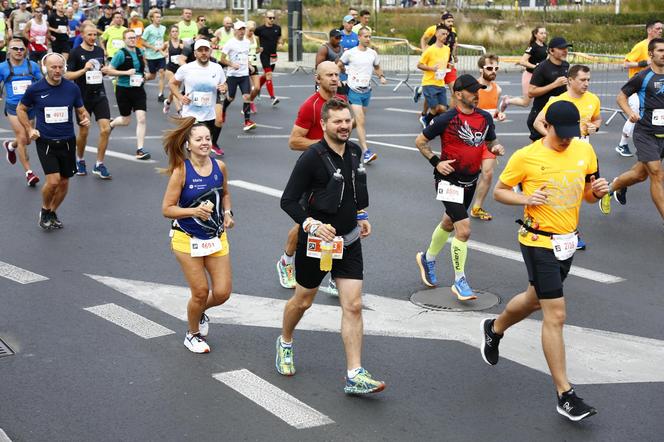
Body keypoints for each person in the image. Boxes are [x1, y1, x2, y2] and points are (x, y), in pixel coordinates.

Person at [484, 100, 608, 422]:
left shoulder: (584, 152)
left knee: (533, 300)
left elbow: (589, 195)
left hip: (568, 240)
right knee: (556, 313)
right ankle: (565, 395)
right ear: (547, 126)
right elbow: (500, 191)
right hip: (537, 240)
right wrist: (526, 197)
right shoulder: (527, 156)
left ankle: (494, 329)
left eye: (571, 134)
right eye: (561, 134)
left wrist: (598, 191)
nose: (566, 140)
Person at [276, 97, 385, 395]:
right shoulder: (311, 157)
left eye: (347, 120)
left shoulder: (353, 150)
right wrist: (310, 224)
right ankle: (285, 341)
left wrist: (361, 216)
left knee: (353, 305)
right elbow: (287, 200)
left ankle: (354, 374)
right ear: (324, 124)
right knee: (303, 301)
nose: (344, 126)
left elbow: (352, 187)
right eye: (337, 121)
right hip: (316, 245)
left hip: (348, 240)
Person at [414, 75, 504, 300]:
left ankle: (428, 258)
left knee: (448, 222)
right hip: (448, 181)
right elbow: (420, 141)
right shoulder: (447, 118)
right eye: (473, 91)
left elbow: (490, 141)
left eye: (479, 90)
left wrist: (496, 148)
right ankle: (460, 281)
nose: (477, 94)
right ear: (458, 94)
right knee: (463, 230)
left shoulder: (484, 117)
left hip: (470, 181)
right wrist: (437, 162)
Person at [161, 117, 234, 354]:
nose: (204, 143)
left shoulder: (220, 167)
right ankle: (192, 334)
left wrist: (227, 213)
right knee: (201, 291)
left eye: (207, 139)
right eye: (199, 139)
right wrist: (195, 211)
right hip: (186, 238)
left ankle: (199, 310)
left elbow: (224, 193)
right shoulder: (181, 171)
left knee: (222, 293)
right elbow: (167, 209)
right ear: (188, 145)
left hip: (215, 237)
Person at [277, 61, 342, 290]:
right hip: (312, 171)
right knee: (306, 222)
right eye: (329, 75)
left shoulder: (340, 102)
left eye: (336, 74)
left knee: (338, 221)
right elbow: (294, 141)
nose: (334, 78)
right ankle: (287, 260)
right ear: (318, 79)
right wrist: (324, 145)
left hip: (337, 171)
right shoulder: (311, 106)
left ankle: (336, 273)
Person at [18, 52, 90, 229]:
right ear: (45, 69)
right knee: (53, 181)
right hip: (46, 141)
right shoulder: (35, 89)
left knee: (65, 182)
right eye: (53, 67)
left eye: (60, 67)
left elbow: (81, 110)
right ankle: (44, 210)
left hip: (67, 141)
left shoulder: (72, 88)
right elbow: (21, 109)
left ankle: (52, 211)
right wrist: (29, 128)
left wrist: (85, 117)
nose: (57, 71)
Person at [600, 38, 664, 222]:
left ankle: (611, 188)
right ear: (651, 54)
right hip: (647, 133)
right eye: (660, 50)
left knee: (640, 175)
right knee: (657, 173)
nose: (663, 53)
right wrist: (630, 113)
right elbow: (621, 97)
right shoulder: (643, 76)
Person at [66, 23, 113, 179]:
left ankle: (99, 164)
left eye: (95, 35)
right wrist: (84, 69)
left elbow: (101, 69)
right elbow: (68, 76)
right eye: (89, 35)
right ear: (82, 35)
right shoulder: (75, 52)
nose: (93, 37)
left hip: (99, 94)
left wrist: (105, 71)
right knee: (84, 132)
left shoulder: (99, 50)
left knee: (106, 129)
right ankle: (80, 159)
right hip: (82, 97)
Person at [614, 20, 663, 157]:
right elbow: (626, 64)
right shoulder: (641, 46)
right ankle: (623, 143)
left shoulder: (661, 46)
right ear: (649, 30)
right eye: (657, 28)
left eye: (661, 29)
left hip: (655, 87)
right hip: (638, 87)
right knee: (636, 113)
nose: (660, 31)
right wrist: (643, 62)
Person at [170, 39, 227, 156]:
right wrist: (180, 97)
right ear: (195, 53)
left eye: (206, 50)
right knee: (196, 145)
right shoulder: (186, 68)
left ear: (210, 52)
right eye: (200, 50)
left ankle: (197, 167)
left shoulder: (217, 68)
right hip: (191, 114)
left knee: (202, 147)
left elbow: (224, 84)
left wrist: (224, 88)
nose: (203, 53)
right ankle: (192, 167)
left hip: (209, 114)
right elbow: (172, 83)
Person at [338, 27, 386, 164]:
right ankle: (366, 152)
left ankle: (339, 133)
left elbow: (377, 66)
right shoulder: (351, 53)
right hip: (353, 90)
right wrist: (340, 76)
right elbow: (339, 64)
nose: (368, 39)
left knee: (357, 121)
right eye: (366, 36)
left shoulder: (372, 53)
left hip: (367, 91)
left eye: (370, 36)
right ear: (359, 37)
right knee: (361, 121)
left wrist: (381, 76)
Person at [106, 29, 154, 160]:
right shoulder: (120, 54)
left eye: (134, 37)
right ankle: (111, 124)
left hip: (138, 89)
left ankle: (140, 149)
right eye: (129, 38)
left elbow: (141, 69)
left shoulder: (139, 51)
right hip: (123, 89)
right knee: (126, 120)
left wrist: (144, 77)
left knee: (141, 118)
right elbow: (109, 71)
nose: (132, 39)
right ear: (124, 40)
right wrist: (126, 73)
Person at [0, 37, 42, 186]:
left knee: (28, 139)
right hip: (13, 107)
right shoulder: (2, 67)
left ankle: (11, 146)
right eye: (15, 49)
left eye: (21, 49)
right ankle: (29, 173)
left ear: (25, 50)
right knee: (23, 137)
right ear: (9, 50)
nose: (19, 51)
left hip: (30, 107)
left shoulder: (33, 66)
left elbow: (42, 83)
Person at [471, 54, 506, 222]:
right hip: (469, 138)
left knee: (488, 173)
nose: (493, 72)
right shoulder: (472, 88)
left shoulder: (497, 89)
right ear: (481, 69)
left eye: (496, 69)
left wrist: (498, 114)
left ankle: (477, 207)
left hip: (488, 139)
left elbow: (490, 110)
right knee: (467, 175)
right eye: (490, 68)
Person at [534, 65, 601, 141]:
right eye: (582, 80)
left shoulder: (593, 99)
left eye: (588, 80)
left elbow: (597, 119)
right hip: (562, 142)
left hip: (583, 141)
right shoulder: (557, 101)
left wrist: (595, 127)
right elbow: (537, 123)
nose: (586, 84)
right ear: (570, 80)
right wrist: (552, 137)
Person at [526, 36, 571, 142]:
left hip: (558, 115)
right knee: (539, 152)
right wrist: (554, 84)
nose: (565, 51)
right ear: (551, 50)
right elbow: (531, 92)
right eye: (561, 49)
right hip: (540, 116)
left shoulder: (566, 65)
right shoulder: (542, 68)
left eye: (566, 48)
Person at [499, 26, 548, 111]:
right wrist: (535, 67)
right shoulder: (533, 47)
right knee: (526, 103)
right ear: (535, 35)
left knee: (543, 98)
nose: (544, 35)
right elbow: (522, 61)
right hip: (529, 76)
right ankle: (507, 101)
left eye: (545, 33)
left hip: (540, 77)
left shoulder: (545, 46)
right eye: (541, 33)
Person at [221, 21, 257, 132]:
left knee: (247, 97)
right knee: (230, 98)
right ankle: (223, 110)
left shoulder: (246, 42)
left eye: (243, 29)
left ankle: (247, 122)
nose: (242, 31)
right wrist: (231, 64)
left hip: (244, 75)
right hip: (232, 75)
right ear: (235, 30)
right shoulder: (230, 43)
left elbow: (245, 56)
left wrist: (249, 65)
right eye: (240, 29)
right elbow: (222, 59)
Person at [416, 24, 450, 129]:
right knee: (435, 108)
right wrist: (432, 69)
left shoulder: (447, 49)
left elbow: (444, 63)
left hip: (440, 83)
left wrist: (447, 67)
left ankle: (428, 120)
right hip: (429, 83)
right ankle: (427, 121)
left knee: (443, 109)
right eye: (442, 34)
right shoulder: (430, 50)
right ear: (436, 34)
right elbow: (419, 65)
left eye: (446, 34)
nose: (445, 36)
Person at [255, 10, 281, 106]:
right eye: (270, 18)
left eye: (273, 18)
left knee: (266, 75)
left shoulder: (277, 28)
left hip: (273, 55)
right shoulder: (260, 29)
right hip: (264, 55)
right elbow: (253, 38)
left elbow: (279, 38)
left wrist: (280, 43)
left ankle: (257, 88)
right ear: (265, 18)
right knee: (269, 75)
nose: (272, 19)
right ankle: (272, 97)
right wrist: (258, 48)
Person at [142, 9, 167, 102]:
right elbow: (142, 42)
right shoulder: (148, 29)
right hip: (150, 56)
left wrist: (164, 48)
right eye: (157, 17)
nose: (159, 19)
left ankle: (160, 94)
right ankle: (141, 80)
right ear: (152, 18)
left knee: (161, 73)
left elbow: (161, 40)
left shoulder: (163, 28)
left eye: (160, 17)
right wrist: (153, 48)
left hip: (160, 56)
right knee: (152, 76)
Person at [162, 24, 183, 115]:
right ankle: (179, 110)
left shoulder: (182, 43)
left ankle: (167, 103)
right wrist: (164, 54)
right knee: (175, 89)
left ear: (178, 32)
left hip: (180, 69)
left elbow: (187, 52)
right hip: (170, 68)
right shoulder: (167, 43)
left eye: (176, 31)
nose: (175, 33)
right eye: (173, 31)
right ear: (170, 33)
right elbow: (161, 50)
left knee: (174, 90)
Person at [338, 15, 358, 96]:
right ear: (343, 23)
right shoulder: (338, 35)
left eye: (352, 23)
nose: (350, 25)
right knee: (342, 89)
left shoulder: (356, 36)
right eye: (348, 23)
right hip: (341, 67)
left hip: (353, 67)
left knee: (353, 90)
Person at [245, 20, 260, 114]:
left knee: (257, 88)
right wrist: (248, 64)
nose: (251, 32)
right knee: (249, 88)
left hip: (254, 65)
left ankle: (250, 101)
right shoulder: (242, 39)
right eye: (250, 30)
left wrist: (259, 50)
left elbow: (256, 50)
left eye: (253, 30)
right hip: (245, 65)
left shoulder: (255, 38)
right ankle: (248, 105)